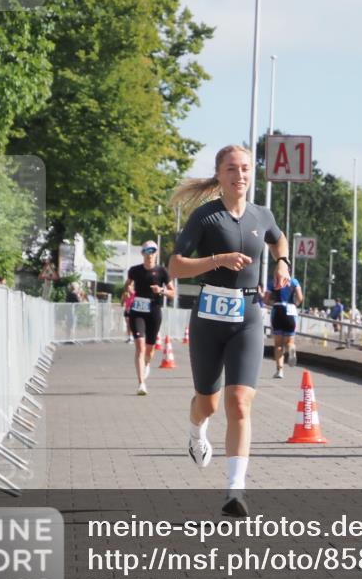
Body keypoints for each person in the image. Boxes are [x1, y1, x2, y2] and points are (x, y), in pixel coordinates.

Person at [169, 144, 291, 518]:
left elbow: (278, 237)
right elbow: (174, 266)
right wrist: (217, 260)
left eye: (245, 169)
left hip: (249, 315)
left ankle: (234, 491)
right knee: (209, 402)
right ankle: (195, 431)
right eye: (232, 169)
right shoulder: (204, 218)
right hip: (209, 316)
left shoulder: (262, 214)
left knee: (240, 402)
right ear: (219, 175)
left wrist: (282, 264)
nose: (240, 175)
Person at [123, 241, 175, 395]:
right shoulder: (135, 270)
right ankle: (141, 384)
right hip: (137, 311)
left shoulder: (162, 272)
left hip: (154, 311)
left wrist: (161, 291)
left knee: (149, 349)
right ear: (142, 253)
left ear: (156, 253)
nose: (150, 254)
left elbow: (173, 292)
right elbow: (127, 284)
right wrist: (128, 289)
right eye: (147, 251)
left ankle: (147, 363)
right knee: (140, 346)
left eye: (153, 251)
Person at [264, 273, 303, 379]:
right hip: (290, 310)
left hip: (277, 310)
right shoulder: (294, 282)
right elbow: (300, 298)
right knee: (290, 341)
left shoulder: (273, 282)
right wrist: (295, 305)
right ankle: (291, 349)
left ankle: (279, 370)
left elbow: (266, 300)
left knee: (278, 344)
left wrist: (273, 303)